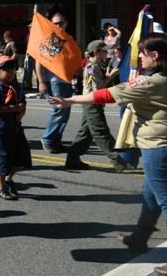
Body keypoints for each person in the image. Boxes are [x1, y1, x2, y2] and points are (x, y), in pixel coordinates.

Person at [48, 33, 167, 262]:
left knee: (163, 200)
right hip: (160, 147)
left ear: (155, 55)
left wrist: (70, 100)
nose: (139, 57)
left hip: (156, 148)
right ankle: (139, 238)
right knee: (150, 198)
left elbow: (108, 94)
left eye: (142, 53)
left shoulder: (151, 83)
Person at [64, 40, 131, 172]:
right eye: (104, 51)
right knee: (100, 131)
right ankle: (117, 159)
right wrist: (111, 77)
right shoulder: (91, 68)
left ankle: (72, 158)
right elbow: (97, 90)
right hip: (91, 103)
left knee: (86, 133)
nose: (107, 53)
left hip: (92, 102)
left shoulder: (96, 66)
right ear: (96, 52)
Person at [0, 55, 31, 200]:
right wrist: (13, 109)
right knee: (3, 159)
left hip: (16, 126)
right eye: (6, 69)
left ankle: (8, 179)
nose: (10, 72)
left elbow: (22, 104)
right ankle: (0, 187)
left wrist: (21, 112)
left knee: (22, 158)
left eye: (12, 69)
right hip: (1, 128)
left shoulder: (16, 86)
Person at [36, 12, 73, 153]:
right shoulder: (47, 40)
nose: (58, 25)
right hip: (53, 80)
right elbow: (39, 62)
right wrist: (41, 82)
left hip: (66, 80)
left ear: (66, 23)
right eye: (55, 23)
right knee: (59, 110)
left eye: (61, 22)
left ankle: (56, 140)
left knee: (65, 111)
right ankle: (48, 139)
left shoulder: (69, 39)